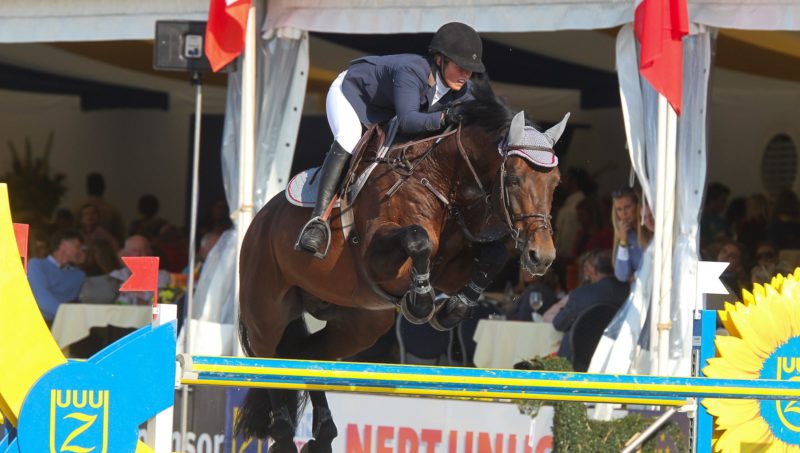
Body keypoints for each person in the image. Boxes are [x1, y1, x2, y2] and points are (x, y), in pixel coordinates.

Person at [296, 22, 486, 258]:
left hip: (385, 112)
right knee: (349, 136)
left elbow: (484, 110)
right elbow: (407, 120)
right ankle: (317, 221)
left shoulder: (462, 90)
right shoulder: (411, 70)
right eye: (461, 67)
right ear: (440, 60)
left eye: (470, 70)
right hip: (353, 96)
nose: (466, 75)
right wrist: (445, 116)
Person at [545, 250, 630, 362]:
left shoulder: (580, 295)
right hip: (617, 358)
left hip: (579, 362)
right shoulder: (629, 292)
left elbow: (559, 323)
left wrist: (563, 309)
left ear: (592, 269)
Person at [26, 229, 86, 323]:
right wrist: (73, 318)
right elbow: (42, 301)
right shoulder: (37, 265)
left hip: (66, 324)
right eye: (77, 246)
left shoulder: (79, 275)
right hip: (39, 323)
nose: (80, 251)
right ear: (63, 244)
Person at [109, 235, 170, 305]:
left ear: (149, 253)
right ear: (126, 254)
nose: (138, 254)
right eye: (134, 251)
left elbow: (158, 302)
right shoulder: (116, 275)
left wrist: (128, 291)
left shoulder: (162, 276)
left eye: (142, 250)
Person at [77, 172, 125, 243]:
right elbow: (120, 235)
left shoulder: (78, 208)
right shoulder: (111, 210)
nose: (90, 217)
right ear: (103, 187)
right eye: (87, 214)